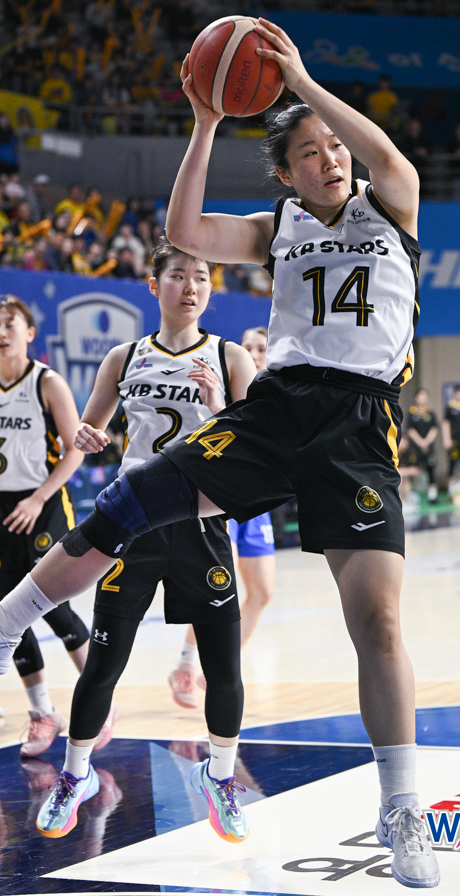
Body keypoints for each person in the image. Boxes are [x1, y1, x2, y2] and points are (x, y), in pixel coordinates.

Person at [0, 18, 439, 889]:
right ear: (285, 174)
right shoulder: (280, 227)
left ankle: (401, 806)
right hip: (276, 408)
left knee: (379, 622)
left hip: (358, 426)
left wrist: (301, 84)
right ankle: (11, 619)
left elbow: (388, 154)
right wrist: (205, 122)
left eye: (333, 147)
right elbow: (186, 229)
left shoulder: (392, 203)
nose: (330, 159)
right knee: (125, 507)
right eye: (309, 153)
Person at [35, 238, 256, 840]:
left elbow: (252, 450)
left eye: (202, 277)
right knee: (104, 663)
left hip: (201, 524)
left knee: (223, 667)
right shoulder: (124, 357)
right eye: (178, 275)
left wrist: (219, 407)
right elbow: (90, 428)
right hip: (132, 524)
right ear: (155, 286)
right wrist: (87, 437)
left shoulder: (232, 358)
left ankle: (220, 776)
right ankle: (76, 775)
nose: (191, 287)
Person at [0, 296, 91, 757]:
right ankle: (43, 713)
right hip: (3, 506)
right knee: (6, 611)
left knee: (51, 605)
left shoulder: (46, 382)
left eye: (9, 323)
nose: (1, 332)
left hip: (45, 501)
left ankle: (100, 698)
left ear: (29, 332)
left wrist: (38, 497)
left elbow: (76, 448)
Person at [169, 326, 276, 708]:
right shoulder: (220, 384)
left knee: (262, 592)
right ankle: (188, 665)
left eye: (260, 347)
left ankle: (215, 664)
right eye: (247, 346)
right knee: (218, 586)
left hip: (257, 498)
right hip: (219, 495)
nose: (253, 353)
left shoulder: (278, 391)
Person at [404, 388, 439, 503]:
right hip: (415, 448)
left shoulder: (431, 413)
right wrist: (420, 442)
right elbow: (410, 429)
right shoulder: (411, 413)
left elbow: (434, 429)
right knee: (412, 469)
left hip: (428, 448)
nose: (422, 398)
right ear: (416, 397)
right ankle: (410, 495)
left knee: (431, 470)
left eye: (425, 395)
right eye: (420, 395)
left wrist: (426, 442)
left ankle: (432, 495)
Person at [442, 384, 460, 495]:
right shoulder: (450, 407)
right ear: (455, 394)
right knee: (453, 462)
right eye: (458, 392)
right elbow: (445, 423)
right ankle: (451, 483)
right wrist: (447, 438)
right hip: (453, 439)